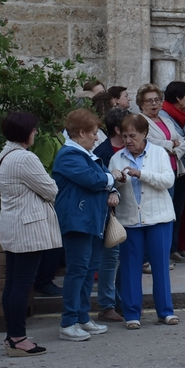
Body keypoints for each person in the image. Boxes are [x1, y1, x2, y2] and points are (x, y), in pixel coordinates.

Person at [52, 108, 121, 342]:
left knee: (87, 270)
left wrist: (110, 184)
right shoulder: (69, 155)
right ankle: (68, 321)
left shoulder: (85, 155)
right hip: (77, 222)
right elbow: (95, 180)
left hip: (91, 221)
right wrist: (111, 178)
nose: (96, 138)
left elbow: (103, 181)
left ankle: (82, 317)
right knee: (77, 271)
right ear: (81, 133)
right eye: (93, 133)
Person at [0, 111, 62, 356]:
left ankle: (12, 336)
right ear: (25, 133)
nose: (36, 132)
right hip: (28, 228)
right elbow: (51, 189)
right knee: (22, 285)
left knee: (13, 283)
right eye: (33, 129)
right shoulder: (25, 159)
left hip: (13, 224)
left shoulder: (5, 154)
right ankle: (18, 338)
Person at [109, 114, 177, 329]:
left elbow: (168, 181)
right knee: (130, 268)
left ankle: (165, 312)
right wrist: (117, 181)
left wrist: (141, 174)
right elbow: (111, 189)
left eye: (133, 135)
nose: (128, 140)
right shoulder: (117, 158)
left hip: (159, 219)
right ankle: (132, 315)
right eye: (125, 136)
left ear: (144, 134)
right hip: (130, 220)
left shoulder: (158, 153)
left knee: (160, 267)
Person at [92, 107, 130, 323]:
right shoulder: (103, 153)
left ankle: (123, 301)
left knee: (128, 260)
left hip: (132, 213)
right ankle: (107, 305)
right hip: (111, 215)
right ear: (118, 129)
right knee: (109, 260)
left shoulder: (133, 149)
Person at [158, 81, 185, 263]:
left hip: (182, 167)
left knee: (178, 209)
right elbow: (175, 143)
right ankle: (167, 249)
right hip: (171, 167)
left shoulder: (181, 116)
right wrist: (180, 150)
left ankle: (175, 247)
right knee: (170, 209)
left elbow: (184, 141)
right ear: (177, 98)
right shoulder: (165, 115)